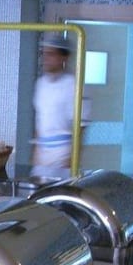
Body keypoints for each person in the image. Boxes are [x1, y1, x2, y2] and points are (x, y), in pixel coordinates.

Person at [31, 32, 77, 179]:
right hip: (42, 153)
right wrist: (36, 154)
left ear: (64, 57)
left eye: (51, 54)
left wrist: (70, 161)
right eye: (44, 54)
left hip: (63, 153)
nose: (45, 58)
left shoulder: (73, 85)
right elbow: (40, 121)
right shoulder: (41, 84)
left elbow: (80, 127)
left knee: (58, 191)